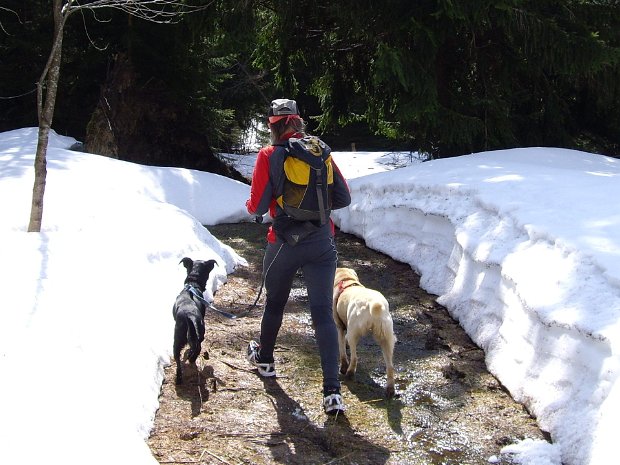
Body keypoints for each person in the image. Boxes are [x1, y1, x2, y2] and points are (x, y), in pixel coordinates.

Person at [245, 98, 352, 415]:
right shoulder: (319, 151)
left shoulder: (269, 155)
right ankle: (332, 392)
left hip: (283, 243)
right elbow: (343, 198)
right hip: (321, 242)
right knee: (322, 314)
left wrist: (254, 208)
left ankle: (265, 361)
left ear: (271, 125)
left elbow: (259, 206)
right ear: (299, 122)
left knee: (275, 304)